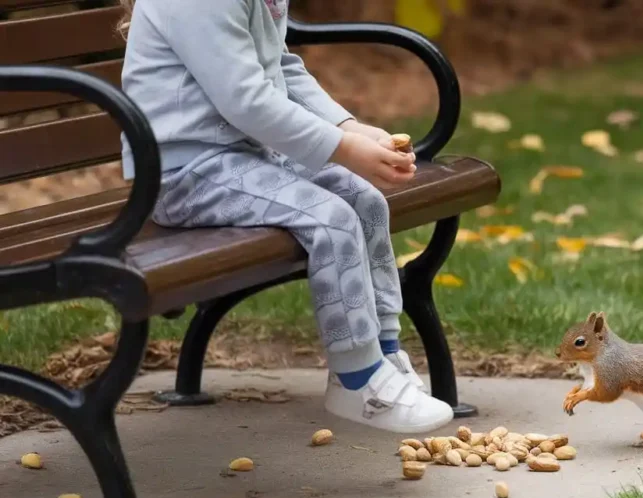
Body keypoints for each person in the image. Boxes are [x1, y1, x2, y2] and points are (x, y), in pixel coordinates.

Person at [116, 0, 454, 433]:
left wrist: (349, 127)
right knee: (331, 220)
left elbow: (280, 67)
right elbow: (247, 100)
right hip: (186, 173)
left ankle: (384, 355)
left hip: (242, 157)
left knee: (364, 201)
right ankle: (357, 381)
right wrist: (342, 149)